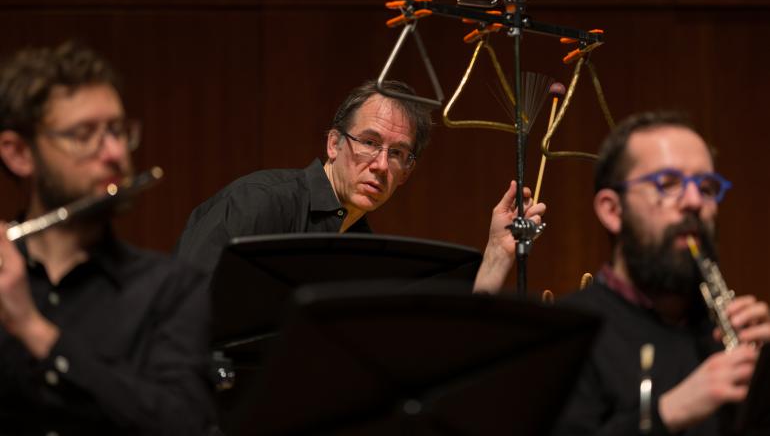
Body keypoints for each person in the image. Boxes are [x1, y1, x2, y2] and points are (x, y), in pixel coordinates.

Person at [0, 42, 214, 434]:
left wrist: (36, 331)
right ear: (19, 154)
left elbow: (183, 424)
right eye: (85, 135)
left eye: (117, 131)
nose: (115, 152)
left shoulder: (171, 290)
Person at [175, 79, 544, 293]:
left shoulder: (362, 249)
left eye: (397, 153)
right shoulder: (259, 201)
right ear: (334, 144)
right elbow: (182, 308)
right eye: (369, 142)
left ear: (407, 173)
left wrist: (497, 253)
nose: (381, 165)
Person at [553, 112, 770, 435]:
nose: (695, 202)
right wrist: (668, 413)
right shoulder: (566, 335)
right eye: (668, 184)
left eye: (707, 187)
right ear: (613, 211)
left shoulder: (721, 334)